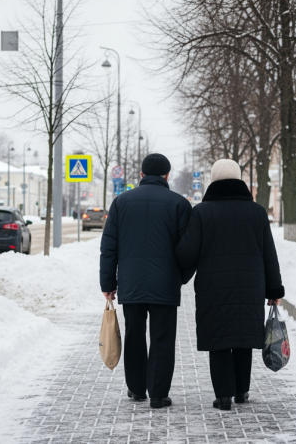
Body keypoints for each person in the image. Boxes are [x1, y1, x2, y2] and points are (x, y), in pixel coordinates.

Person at [175, 159, 284, 411]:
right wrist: (274, 289)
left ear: (213, 180)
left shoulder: (202, 212)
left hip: (213, 286)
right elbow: (269, 252)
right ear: (239, 179)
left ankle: (223, 396)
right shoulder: (257, 212)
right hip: (250, 285)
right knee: (243, 336)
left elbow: (186, 254)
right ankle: (241, 391)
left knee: (219, 338)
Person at [99, 153, 193, 409]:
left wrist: (108, 283)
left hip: (132, 283)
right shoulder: (179, 204)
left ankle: (137, 389)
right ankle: (159, 394)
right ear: (167, 174)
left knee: (135, 334)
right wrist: (180, 277)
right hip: (165, 283)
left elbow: (109, 247)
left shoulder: (121, 203)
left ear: (141, 174)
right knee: (163, 337)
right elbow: (189, 249)